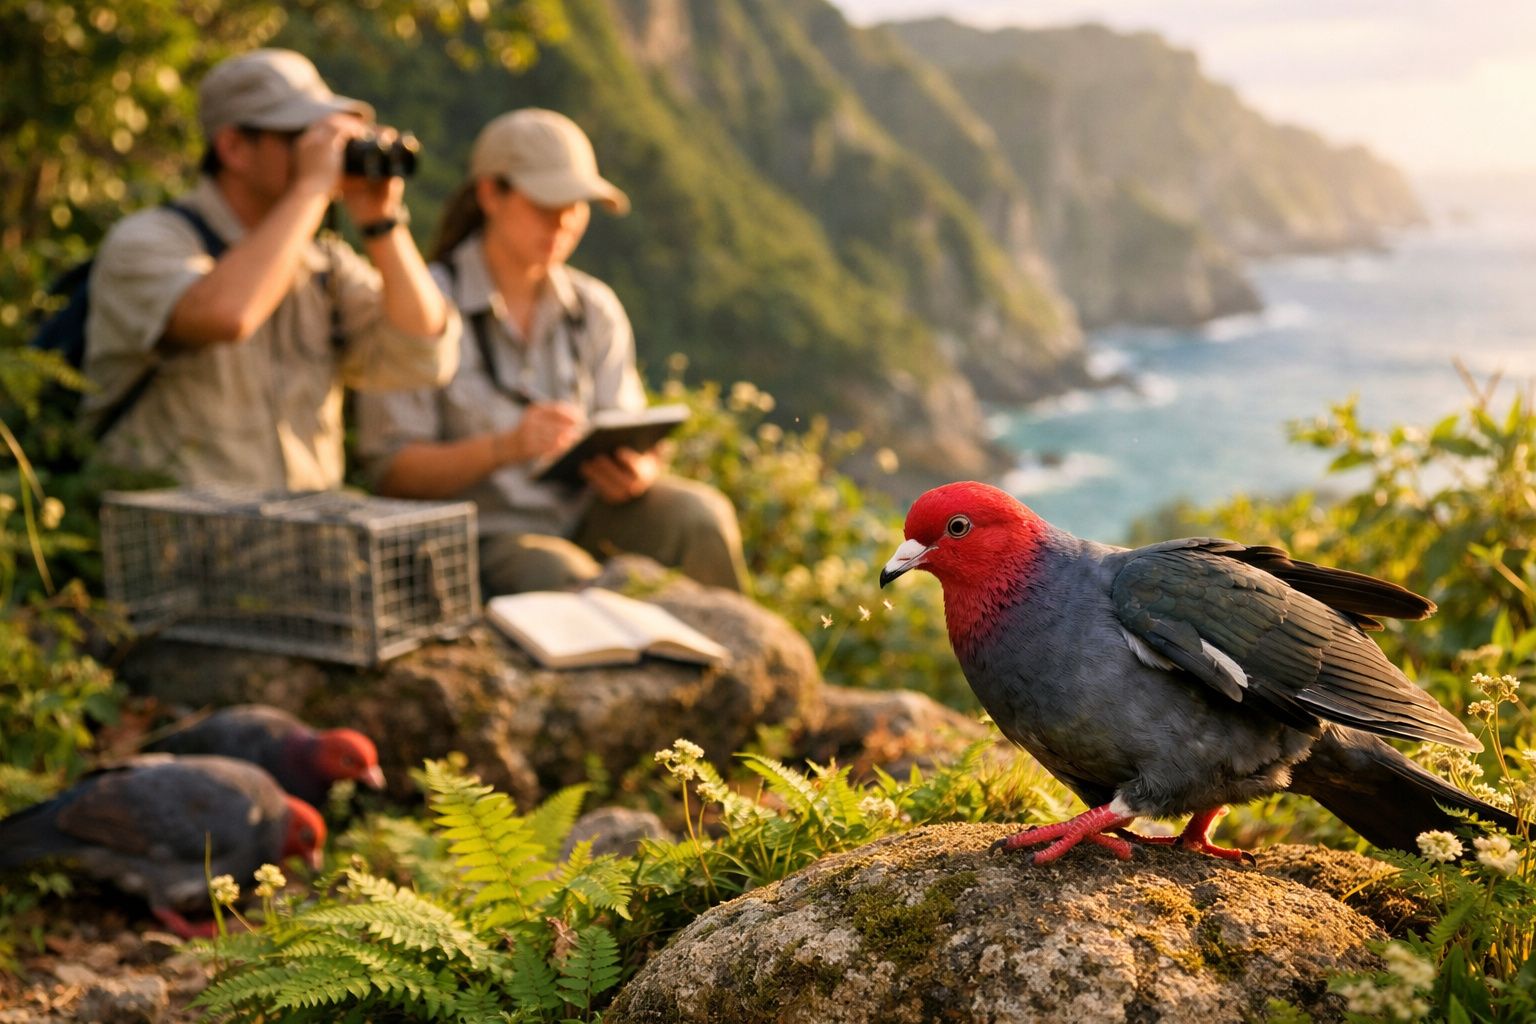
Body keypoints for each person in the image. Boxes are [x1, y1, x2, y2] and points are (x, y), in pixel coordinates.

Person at [356, 108, 748, 596]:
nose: (564, 222)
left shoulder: (594, 308)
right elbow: (392, 473)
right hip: (477, 537)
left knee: (699, 518)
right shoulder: (421, 303)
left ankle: (737, 661)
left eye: (578, 205)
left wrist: (639, 470)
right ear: (490, 194)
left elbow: (626, 428)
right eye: (547, 204)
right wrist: (505, 448)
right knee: (560, 575)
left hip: (587, 517)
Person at [82, 49, 459, 491]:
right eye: (304, 135)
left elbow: (422, 356)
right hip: (175, 541)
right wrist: (312, 187)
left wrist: (382, 221)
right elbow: (227, 314)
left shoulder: (324, 264)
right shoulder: (148, 241)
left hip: (303, 540)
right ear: (234, 147)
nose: (326, 154)